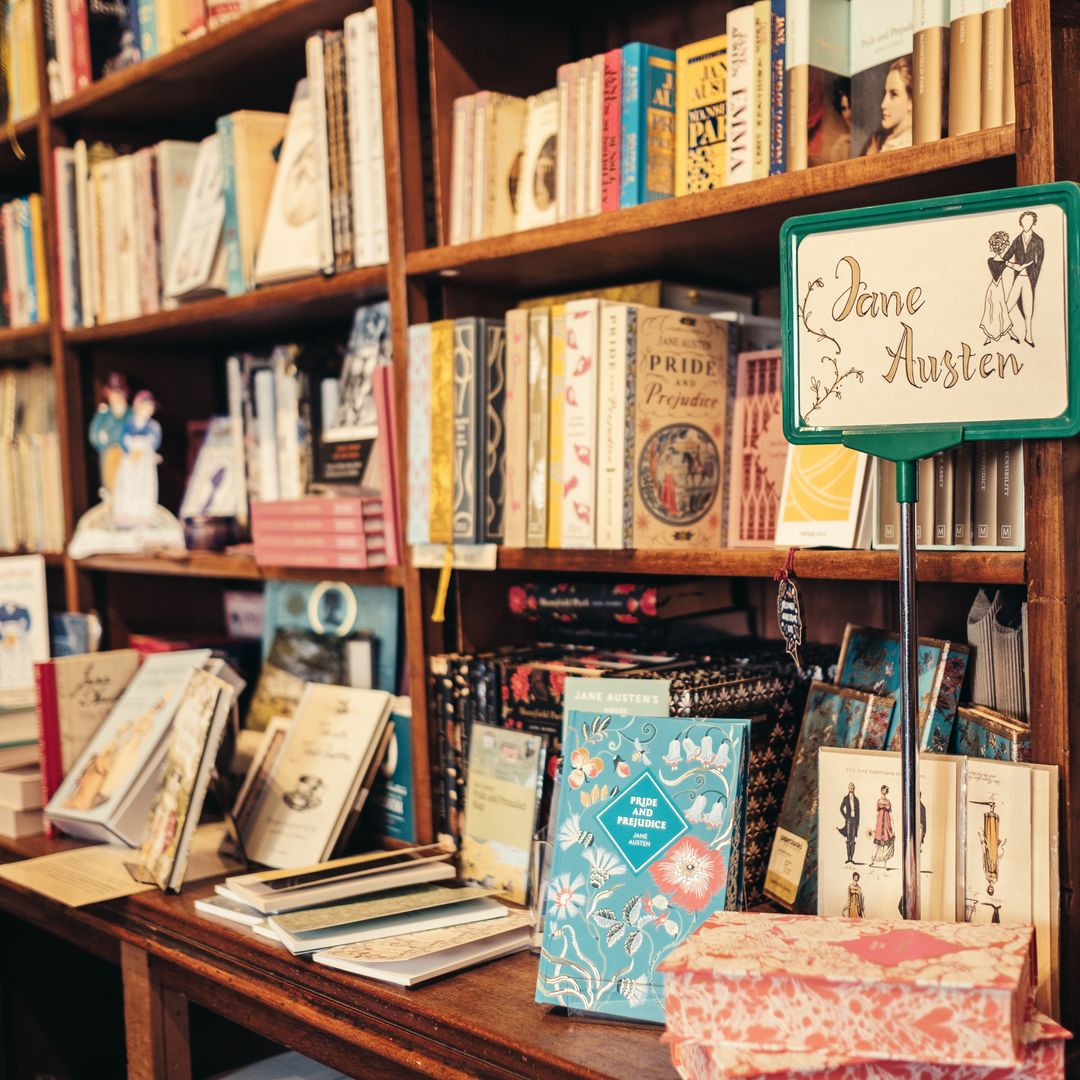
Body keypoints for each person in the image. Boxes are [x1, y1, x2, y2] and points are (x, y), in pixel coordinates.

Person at [111, 390, 163, 528]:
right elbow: (122, 440)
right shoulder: (128, 425)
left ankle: (144, 515)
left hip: (144, 462)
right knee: (129, 486)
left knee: (145, 486)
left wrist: (146, 451)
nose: (147, 409)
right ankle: (127, 515)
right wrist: (129, 451)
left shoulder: (153, 427)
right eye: (145, 406)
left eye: (150, 407)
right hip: (131, 461)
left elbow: (155, 442)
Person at [1003, 211, 1045, 347]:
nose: (1027, 223)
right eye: (1025, 221)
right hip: (1018, 278)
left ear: (1034, 222)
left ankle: (1029, 335)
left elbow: (1039, 262)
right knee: (1007, 306)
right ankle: (1006, 330)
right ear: (1021, 222)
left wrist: (1033, 279)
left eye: (1030, 221)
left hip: (1029, 279)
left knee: (1028, 308)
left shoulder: (1038, 240)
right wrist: (1015, 266)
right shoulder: (1017, 240)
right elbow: (1005, 258)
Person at [88, 373, 131, 498]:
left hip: (127, 457)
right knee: (111, 483)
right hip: (108, 456)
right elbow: (94, 435)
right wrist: (104, 441)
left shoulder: (131, 414)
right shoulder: (103, 415)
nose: (117, 397)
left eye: (120, 393)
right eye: (114, 393)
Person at [863, 56, 913, 155]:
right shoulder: (882, 142)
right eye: (884, 93)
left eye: (893, 94)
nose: (883, 105)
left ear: (911, 101)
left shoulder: (908, 145)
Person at [980, 231, 1020, 345]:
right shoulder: (1003, 262)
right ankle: (1007, 334)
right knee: (997, 311)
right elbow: (1016, 267)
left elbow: (1013, 267)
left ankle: (994, 336)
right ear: (1003, 248)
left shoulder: (991, 261)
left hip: (993, 289)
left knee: (994, 312)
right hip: (996, 289)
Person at [870, 784, 895, 867]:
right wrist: (874, 826)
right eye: (883, 790)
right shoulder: (878, 801)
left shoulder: (888, 802)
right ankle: (872, 861)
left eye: (886, 791)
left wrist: (893, 827)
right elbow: (876, 814)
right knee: (876, 843)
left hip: (887, 824)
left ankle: (885, 863)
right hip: (879, 824)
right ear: (881, 790)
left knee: (887, 844)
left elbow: (891, 814)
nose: (884, 792)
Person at [838, 782, 860, 864]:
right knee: (848, 839)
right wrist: (846, 817)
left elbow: (858, 813)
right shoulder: (845, 798)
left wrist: (858, 823)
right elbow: (841, 808)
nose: (852, 790)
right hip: (848, 820)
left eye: (853, 788)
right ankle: (848, 858)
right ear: (848, 789)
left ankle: (852, 858)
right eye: (851, 788)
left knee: (853, 839)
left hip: (855, 821)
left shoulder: (857, 800)